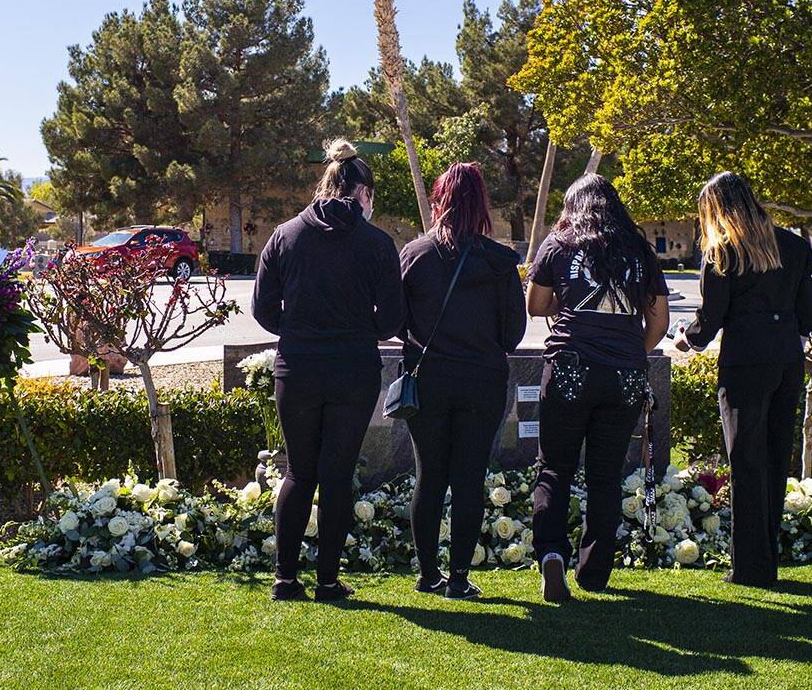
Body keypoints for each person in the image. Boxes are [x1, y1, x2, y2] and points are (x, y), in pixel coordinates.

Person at [252, 138, 404, 602]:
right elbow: (393, 321)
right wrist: (361, 330)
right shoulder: (378, 244)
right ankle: (328, 581)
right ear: (362, 193)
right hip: (353, 370)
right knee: (337, 475)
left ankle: (284, 578)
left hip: (297, 367)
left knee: (299, 473)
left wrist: (298, 330)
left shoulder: (285, 235)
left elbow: (262, 309)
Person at [527, 174, 670, 602]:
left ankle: (551, 554)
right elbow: (659, 322)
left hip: (570, 367)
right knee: (605, 476)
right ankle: (594, 571)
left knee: (554, 468)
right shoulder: (640, 252)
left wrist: (567, 306)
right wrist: (629, 350)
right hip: (623, 375)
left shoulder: (558, 244)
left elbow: (535, 305)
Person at [673, 171, 812, 588]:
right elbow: (808, 315)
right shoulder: (792, 245)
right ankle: (768, 558)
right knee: (774, 460)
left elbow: (709, 321)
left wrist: (687, 338)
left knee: (746, 463)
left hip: (744, 365)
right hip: (787, 360)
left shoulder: (723, 252)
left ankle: (751, 567)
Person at [399, 162, 526, 600]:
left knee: (428, 475)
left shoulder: (414, 255)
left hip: (427, 380)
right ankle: (457, 578)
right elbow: (513, 334)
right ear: (481, 206)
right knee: (469, 478)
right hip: (481, 382)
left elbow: (398, 322)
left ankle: (427, 573)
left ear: (439, 202)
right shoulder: (499, 262)